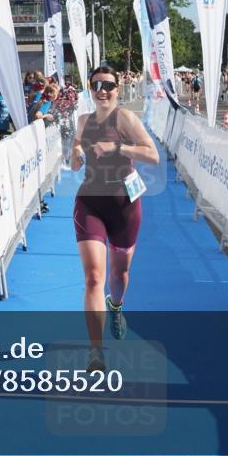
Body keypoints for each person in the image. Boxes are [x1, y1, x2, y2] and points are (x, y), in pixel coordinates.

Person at [70, 66, 159, 372]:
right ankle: (96, 352)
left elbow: (153, 154)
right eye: (96, 85)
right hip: (90, 203)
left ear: (117, 89)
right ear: (90, 89)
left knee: (118, 275)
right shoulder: (82, 121)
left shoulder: (124, 118)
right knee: (94, 276)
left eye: (108, 84)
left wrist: (118, 146)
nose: (102, 90)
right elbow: (73, 158)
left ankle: (116, 306)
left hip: (124, 205)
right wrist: (76, 154)